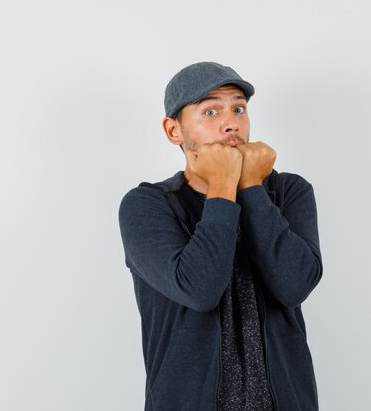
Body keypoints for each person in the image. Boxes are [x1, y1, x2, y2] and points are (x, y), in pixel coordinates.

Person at [118, 62, 323, 411]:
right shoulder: (147, 205)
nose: (231, 123)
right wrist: (224, 185)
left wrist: (253, 188)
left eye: (238, 109)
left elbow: (295, 283)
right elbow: (199, 289)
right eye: (210, 110)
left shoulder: (289, 191)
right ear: (174, 130)